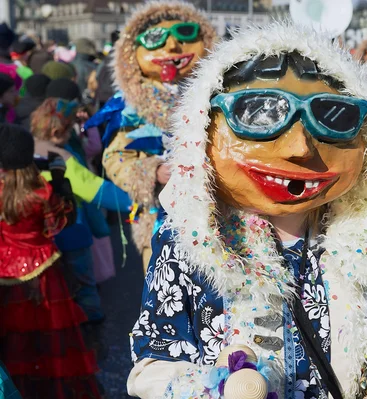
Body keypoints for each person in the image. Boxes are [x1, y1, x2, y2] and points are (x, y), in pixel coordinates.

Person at [127, 22, 367, 399]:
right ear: (202, 130)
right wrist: (218, 389)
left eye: (333, 117)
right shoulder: (187, 240)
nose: (299, 148)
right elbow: (152, 361)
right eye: (258, 115)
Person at [87, 1, 216, 272]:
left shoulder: (221, 94)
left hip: (216, 220)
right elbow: (115, 157)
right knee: (164, 301)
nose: (172, 47)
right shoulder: (132, 106)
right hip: (159, 220)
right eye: (155, 39)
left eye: (186, 33)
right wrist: (153, 172)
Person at [0, 124, 101, 398]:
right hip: (45, 273)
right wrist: (59, 179)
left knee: (16, 340)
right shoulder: (41, 192)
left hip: (6, 275)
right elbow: (60, 222)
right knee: (52, 337)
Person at [30, 92, 132, 323]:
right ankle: (89, 334)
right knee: (83, 290)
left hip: (35, 239)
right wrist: (135, 200)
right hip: (69, 232)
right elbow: (95, 190)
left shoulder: (25, 148)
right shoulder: (59, 156)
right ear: (57, 132)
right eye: (69, 129)